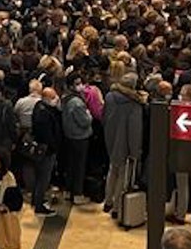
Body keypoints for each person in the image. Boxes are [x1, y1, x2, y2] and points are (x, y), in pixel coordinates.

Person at [103, 73, 145, 218]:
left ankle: (108, 200)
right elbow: (135, 130)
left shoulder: (109, 97)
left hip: (111, 138)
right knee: (123, 176)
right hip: (125, 144)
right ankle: (117, 207)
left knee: (112, 170)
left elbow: (104, 117)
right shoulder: (135, 105)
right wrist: (135, 152)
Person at [61, 77, 93, 205]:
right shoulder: (77, 103)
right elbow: (85, 121)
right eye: (77, 83)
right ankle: (78, 194)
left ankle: (68, 191)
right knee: (79, 167)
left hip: (69, 135)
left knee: (70, 165)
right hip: (80, 137)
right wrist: (89, 114)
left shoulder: (65, 99)